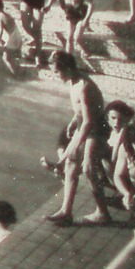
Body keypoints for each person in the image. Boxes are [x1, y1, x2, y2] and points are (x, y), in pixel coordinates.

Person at [46, 52, 112, 226]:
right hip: (85, 126)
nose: (55, 75)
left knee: (88, 168)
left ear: (67, 68)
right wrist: (73, 122)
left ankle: (102, 213)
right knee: (70, 166)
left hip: (96, 130)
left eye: (57, 71)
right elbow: (81, 112)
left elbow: (90, 121)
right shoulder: (73, 82)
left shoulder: (84, 86)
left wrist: (72, 147)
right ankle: (66, 211)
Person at [0, 0, 25, 74]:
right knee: (14, 54)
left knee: (6, 58)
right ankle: (19, 65)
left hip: (12, 39)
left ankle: (15, 74)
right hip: (18, 36)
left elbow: (0, 31)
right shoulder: (7, 15)